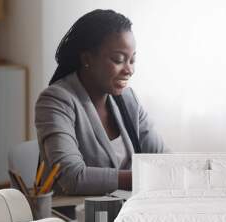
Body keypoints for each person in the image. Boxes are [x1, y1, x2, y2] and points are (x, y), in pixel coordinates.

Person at [35, 9, 169, 195]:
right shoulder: (55, 100)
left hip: (118, 213)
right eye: (119, 60)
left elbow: (163, 158)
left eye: (132, 60)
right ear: (87, 59)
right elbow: (73, 177)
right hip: (73, 217)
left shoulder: (128, 99)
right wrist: (143, 177)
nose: (129, 70)